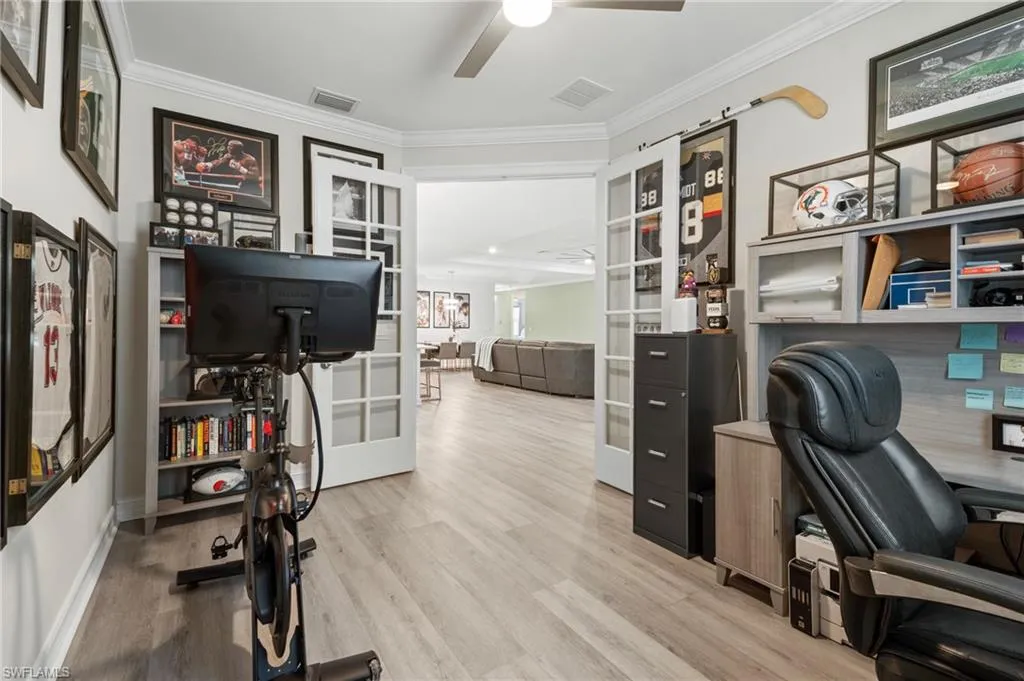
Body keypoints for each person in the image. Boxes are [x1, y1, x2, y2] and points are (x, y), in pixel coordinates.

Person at [196, 140, 262, 194]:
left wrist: (240, 168)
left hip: (252, 187)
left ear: (238, 149)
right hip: (240, 185)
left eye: (231, 146)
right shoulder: (229, 155)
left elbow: (255, 176)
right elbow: (219, 161)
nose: (228, 148)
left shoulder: (250, 159)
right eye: (228, 146)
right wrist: (208, 165)